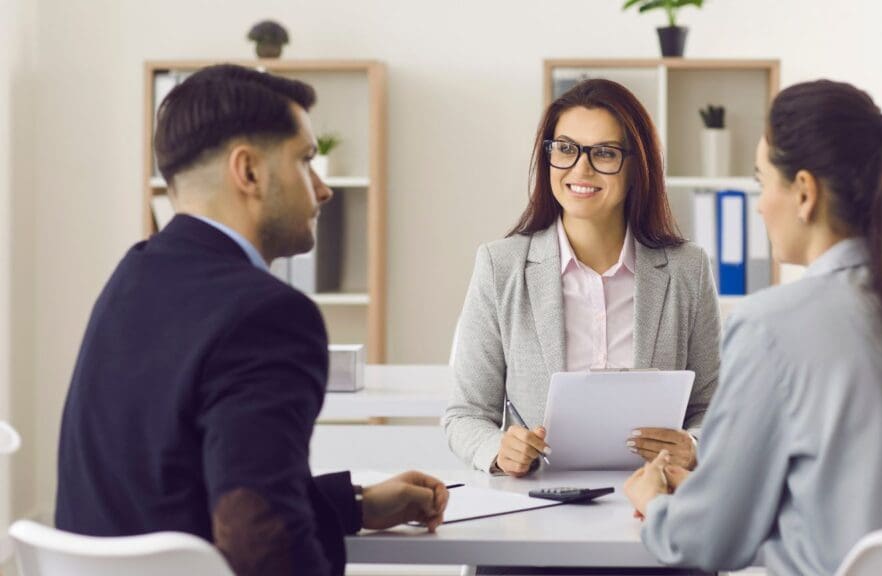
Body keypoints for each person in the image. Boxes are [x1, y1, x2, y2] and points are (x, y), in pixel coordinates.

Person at [55, 64, 448, 576]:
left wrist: (352, 503)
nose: (322, 188)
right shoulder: (269, 316)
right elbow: (263, 546)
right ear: (249, 172)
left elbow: (177, 489)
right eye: (306, 160)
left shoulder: (132, 277)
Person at [624, 79, 882, 575]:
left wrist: (656, 501)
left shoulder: (769, 326)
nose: (758, 206)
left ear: (804, 192)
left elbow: (705, 543)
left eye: (761, 183)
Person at [443, 79, 720, 476]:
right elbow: (465, 414)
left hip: (655, 500)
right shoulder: (500, 266)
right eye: (566, 149)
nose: (581, 169)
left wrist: (693, 445)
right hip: (538, 503)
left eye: (604, 153)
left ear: (636, 166)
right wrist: (498, 450)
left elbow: (714, 408)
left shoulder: (686, 269)